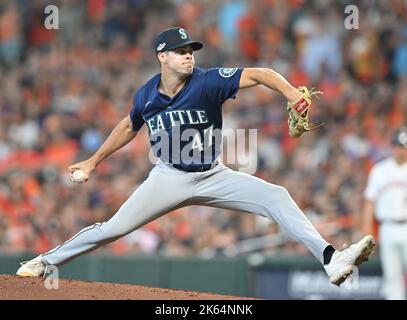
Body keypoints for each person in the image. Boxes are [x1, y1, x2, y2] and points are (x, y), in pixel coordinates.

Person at [17, 27, 375, 287]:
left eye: (191, 49)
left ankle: (331, 260)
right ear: (162, 57)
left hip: (213, 174)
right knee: (112, 229)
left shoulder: (208, 81)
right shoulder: (147, 94)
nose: (189, 55)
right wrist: (93, 161)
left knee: (275, 196)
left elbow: (260, 73)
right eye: (180, 50)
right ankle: (44, 262)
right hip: (169, 176)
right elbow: (129, 125)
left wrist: (290, 92)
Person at [361, 127, 407, 299]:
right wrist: (367, 235)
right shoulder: (380, 170)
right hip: (387, 227)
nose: (400, 150)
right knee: (393, 278)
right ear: (392, 146)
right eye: (397, 146)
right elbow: (369, 203)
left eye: (403, 146)